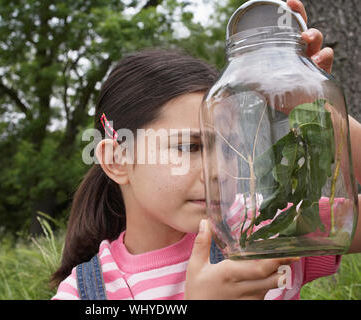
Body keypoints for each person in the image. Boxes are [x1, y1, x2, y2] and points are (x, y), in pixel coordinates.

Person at [51, 0, 361, 300]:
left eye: (229, 148)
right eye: (191, 146)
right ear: (117, 160)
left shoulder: (261, 227)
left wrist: (315, 106)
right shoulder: (85, 292)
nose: (219, 168)